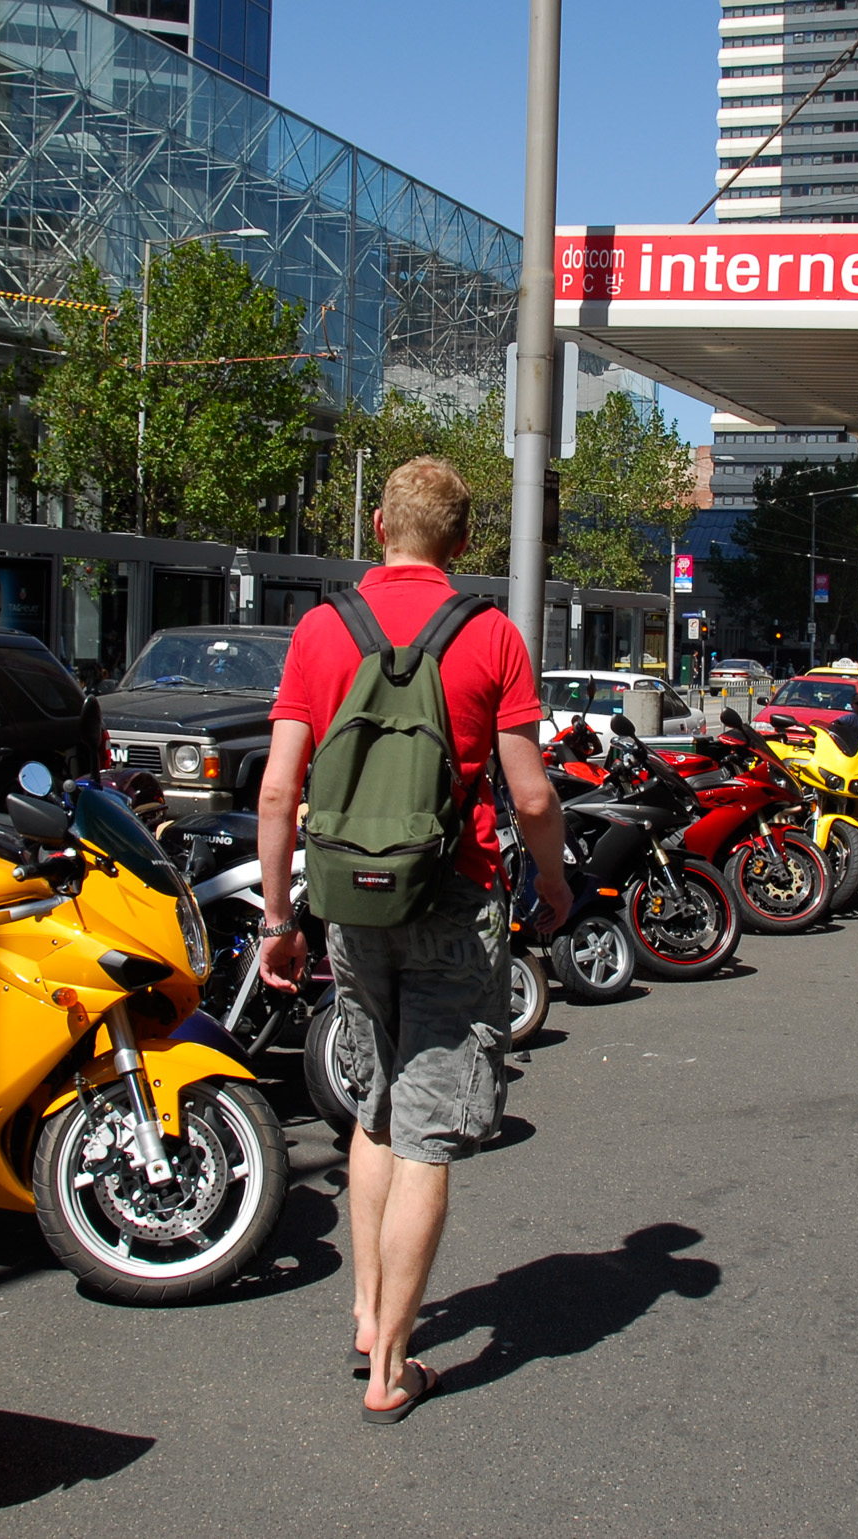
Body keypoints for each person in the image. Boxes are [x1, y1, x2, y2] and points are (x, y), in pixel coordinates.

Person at [253, 457, 573, 1423]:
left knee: (376, 1109)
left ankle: (363, 1311)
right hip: (454, 895)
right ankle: (393, 1366)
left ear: (382, 521)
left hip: (350, 903)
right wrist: (553, 884)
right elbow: (531, 796)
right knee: (429, 1127)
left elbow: (277, 790)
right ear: (464, 541)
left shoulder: (320, 629)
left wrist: (279, 919)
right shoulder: (491, 637)